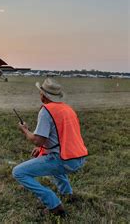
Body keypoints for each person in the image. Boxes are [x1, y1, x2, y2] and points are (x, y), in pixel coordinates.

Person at [12, 78, 88, 217]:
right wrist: (43, 151)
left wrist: (25, 130)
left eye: (40, 92)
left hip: (63, 160)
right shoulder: (67, 108)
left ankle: (54, 205)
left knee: (18, 172)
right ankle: (67, 194)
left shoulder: (46, 111)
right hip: (78, 157)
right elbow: (59, 137)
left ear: (44, 95)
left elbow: (38, 140)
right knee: (51, 162)